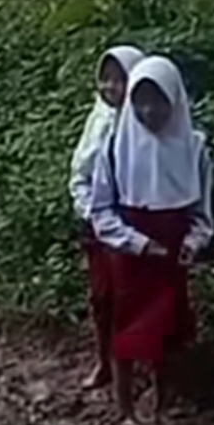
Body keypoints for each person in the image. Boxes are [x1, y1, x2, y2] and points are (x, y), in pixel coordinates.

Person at [89, 56, 214, 425]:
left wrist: (192, 243)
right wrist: (139, 244)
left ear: (174, 101)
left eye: (158, 101)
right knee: (126, 331)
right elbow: (101, 210)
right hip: (131, 254)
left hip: (173, 251)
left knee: (168, 332)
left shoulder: (193, 148)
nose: (149, 111)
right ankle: (125, 410)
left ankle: (162, 403)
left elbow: (202, 213)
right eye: (140, 101)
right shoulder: (114, 146)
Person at [69, 44, 145, 390]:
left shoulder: (150, 121)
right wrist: (93, 212)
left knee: (138, 300)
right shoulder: (99, 119)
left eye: (120, 80)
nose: (111, 88)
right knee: (103, 298)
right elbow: (79, 174)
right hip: (99, 225)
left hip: (140, 225)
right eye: (106, 80)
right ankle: (105, 363)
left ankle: (139, 368)